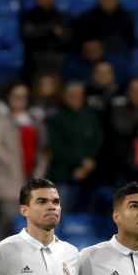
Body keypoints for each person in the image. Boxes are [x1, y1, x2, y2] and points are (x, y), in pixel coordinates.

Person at [0, 82, 48, 242]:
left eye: (24, 96)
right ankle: (0, 255)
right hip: (8, 176)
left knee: (29, 221)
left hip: (32, 176)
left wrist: (39, 169)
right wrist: (12, 164)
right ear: (9, 98)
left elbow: (42, 148)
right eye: (16, 96)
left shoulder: (34, 120)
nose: (20, 99)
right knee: (8, 217)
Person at [47, 81, 103, 209]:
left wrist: (88, 164)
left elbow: (98, 141)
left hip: (90, 177)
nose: (76, 98)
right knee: (59, 216)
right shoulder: (57, 118)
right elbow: (57, 148)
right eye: (72, 95)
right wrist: (81, 162)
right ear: (65, 97)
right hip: (63, 177)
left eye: (79, 95)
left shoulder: (91, 117)